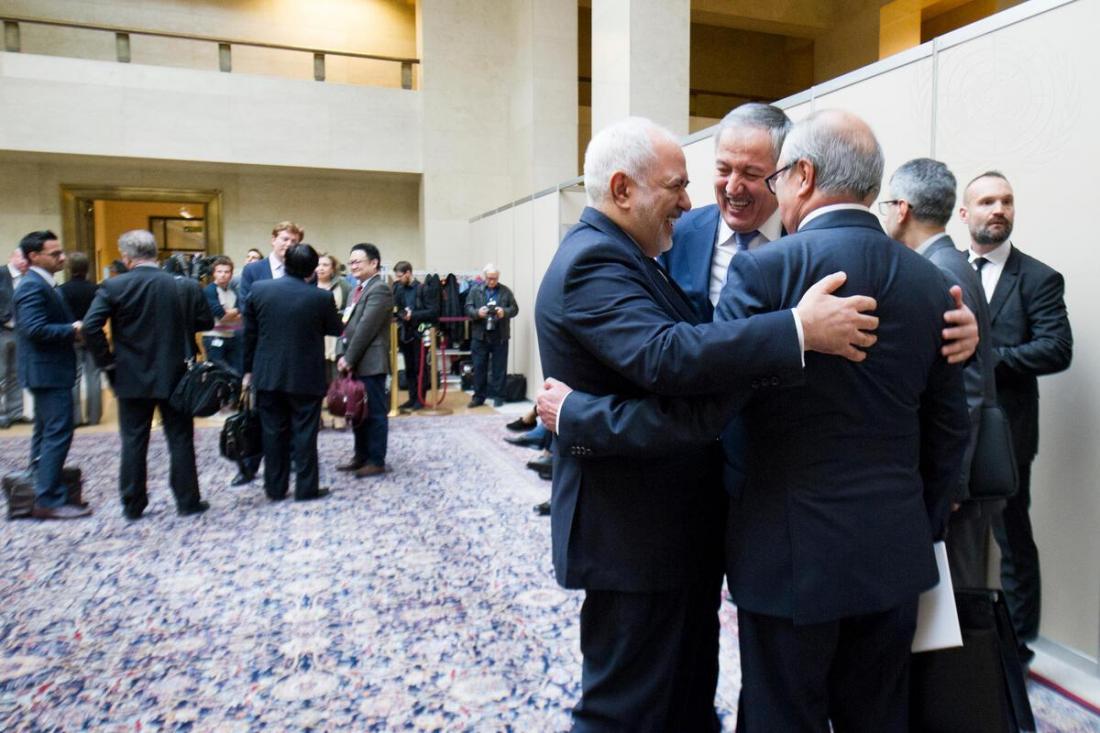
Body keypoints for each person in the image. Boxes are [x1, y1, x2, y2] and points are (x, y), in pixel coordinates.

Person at [534, 116, 882, 731]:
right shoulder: (596, 261)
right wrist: (796, 332)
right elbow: (672, 357)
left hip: (695, 526)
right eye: (680, 184)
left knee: (684, 697)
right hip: (635, 533)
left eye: (753, 172)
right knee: (625, 709)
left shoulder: (635, 251)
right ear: (622, 189)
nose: (695, 200)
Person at [715, 110, 969, 732]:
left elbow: (716, 402)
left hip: (786, 554)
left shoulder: (764, 269)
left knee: (781, 716)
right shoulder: (933, 284)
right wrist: (919, 522)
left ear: (803, 175)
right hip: (894, 552)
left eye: (775, 179)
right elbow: (949, 432)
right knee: (878, 717)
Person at [961, 171, 1073, 663]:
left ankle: (1018, 648)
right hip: (951, 428)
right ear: (965, 214)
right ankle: (958, 640)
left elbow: (1056, 349)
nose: (998, 209)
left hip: (1007, 432)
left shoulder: (1039, 277)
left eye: (1006, 201)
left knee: (1012, 539)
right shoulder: (947, 268)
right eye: (987, 201)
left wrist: (989, 355)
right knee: (955, 535)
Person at [881, 158, 1000, 587]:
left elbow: (963, 385)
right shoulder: (952, 262)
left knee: (959, 599)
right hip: (956, 473)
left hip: (957, 480)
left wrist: (951, 481)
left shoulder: (940, 270)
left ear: (903, 208)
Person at [83, 230, 214, 520]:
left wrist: (107, 362)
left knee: (133, 440)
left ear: (127, 258)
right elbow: (205, 320)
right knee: (180, 438)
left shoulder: (113, 286)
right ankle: (187, 500)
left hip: (131, 374)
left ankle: (133, 504)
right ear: (155, 253)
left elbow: (91, 327)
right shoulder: (185, 286)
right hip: (177, 372)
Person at [661, 103, 791, 323]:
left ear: (781, 174)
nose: (732, 187)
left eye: (750, 174)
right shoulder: (679, 233)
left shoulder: (805, 240)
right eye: (724, 170)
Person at [242, 243, 343, 501]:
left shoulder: (259, 289)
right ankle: (306, 488)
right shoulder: (321, 297)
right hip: (305, 374)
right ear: (311, 271)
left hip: (267, 373)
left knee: (272, 433)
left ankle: (275, 489)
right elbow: (334, 329)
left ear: (285, 263)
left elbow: (249, 335)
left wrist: (247, 371)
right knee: (305, 433)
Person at [13, 231, 89, 520]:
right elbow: (33, 329)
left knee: (46, 433)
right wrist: (73, 329)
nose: (62, 258)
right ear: (34, 256)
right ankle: (49, 499)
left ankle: (42, 487)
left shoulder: (42, 283)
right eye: (55, 254)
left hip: (48, 370)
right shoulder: (32, 286)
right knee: (57, 433)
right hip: (47, 371)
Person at [336, 243, 393, 478]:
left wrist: (349, 358)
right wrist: (342, 353)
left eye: (358, 261)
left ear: (374, 263)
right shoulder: (354, 290)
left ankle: (376, 459)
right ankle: (360, 455)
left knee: (375, 412)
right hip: (354, 360)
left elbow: (366, 329)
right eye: (351, 262)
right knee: (357, 411)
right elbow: (346, 325)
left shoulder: (380, 289)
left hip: (371, 362)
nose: (353, 266)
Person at [58, 252, 102, 426]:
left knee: (74, 377)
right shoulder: (96, 290)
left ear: (69, 268)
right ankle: (94, 417)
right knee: (94, 376)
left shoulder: (61, 290)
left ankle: (75, 417)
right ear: (87, 268)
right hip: (92, 335)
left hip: (70, 335)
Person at [465, 264, 518, 408]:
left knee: (499, 368)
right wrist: (478, 313)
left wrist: (504, 312)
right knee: (479, 367)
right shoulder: (475, 290)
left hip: (500, 334)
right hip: (479, 335)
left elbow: (514, 309)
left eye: (495, 278)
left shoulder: (505, 291)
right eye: (489, 278)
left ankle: (498, 396)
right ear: (484, 277)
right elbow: (467, 309)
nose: (492, 281)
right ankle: (478, 397)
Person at [392, 260, 438, 411]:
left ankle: (420, 398)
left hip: (420, 334)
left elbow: (433, 312)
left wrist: (413, 315)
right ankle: (412, 398)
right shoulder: (399, 289)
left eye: (400, 276)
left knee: (421, 368)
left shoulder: (424, 289)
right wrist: (401, 314)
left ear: (408, 273)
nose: (397, 280)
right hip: (405, 334)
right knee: (409, 368)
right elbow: (396, 308)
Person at [237, 221, 303, 305]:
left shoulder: (301, 270)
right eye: (285, 239)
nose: (289, 244)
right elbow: (244, 304)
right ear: (273, 240)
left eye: (294, 241)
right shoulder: (252, 269)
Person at [1, 247, 30, 429]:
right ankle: (2, 414)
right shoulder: (1, 273)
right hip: (1, 330)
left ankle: (16, 412)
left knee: (16, 374)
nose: (23, 261)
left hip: (20, 332)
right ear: (12, 256)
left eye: (26, 258)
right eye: (20, 257)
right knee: (1, 373)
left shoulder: (27, 277)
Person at [315, 253, 351, 392]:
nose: (321, 268)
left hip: (336, 335)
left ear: (332, 268)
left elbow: (349, 308)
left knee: (337, 374)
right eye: (318, 265)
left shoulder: (343, 285)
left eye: (325, 265)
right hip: (315, 335)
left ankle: (337, 401)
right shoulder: (308, 283)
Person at [201, 256, 243, 374]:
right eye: (219, 271)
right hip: (214, 337)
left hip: (232, 337)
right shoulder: (209, 290)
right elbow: (223, 317)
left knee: (236, 374)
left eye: (226, 272)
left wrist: (231, 312)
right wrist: (237, 310)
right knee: (218, 374)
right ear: (214, 273)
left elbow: (240, 318)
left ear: (231, 274)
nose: (223, 274)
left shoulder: (233, 292)